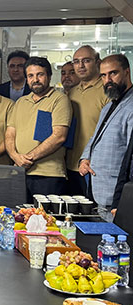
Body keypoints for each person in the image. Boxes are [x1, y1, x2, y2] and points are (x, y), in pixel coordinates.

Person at [5, 56, 72, 196]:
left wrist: (27, 159)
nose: (35, 79)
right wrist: (15, 157)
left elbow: (59, 136)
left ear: (49, 76)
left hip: (48, 174)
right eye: (30, 76)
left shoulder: (59, 100)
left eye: (40, 74)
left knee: (45, 211)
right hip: (19, 172)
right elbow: (10, 133)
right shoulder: (20, 102)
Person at [79, 55, 133, 219]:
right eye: (103, 75)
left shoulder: (131, 106)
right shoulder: (109, 105)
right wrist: (85, 158)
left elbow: (131, 156)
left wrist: (123, 198)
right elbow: (95, 138)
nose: (108, 80)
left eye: (113, 73)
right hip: (99, 192)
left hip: (118, 195)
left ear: (127, 72)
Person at [66, 46, 107, 195]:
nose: (80, 66)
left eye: (86, 61)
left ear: (98, 62)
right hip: (70, 164)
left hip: (93, 166)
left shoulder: (106, 90)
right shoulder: (72, 92)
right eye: (76, 62)